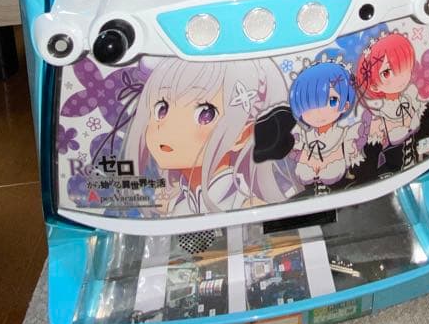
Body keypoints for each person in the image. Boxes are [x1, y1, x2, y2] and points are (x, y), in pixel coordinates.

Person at [121, 55, 298, 214]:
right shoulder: (175, 200)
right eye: (162, 109)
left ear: (243, 135)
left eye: (205, 114)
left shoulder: (245, 203)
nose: (168, 128)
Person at [289, 58, 362, 187]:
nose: (319, 112)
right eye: (310, 104)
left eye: (332, 101)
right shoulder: (303, 138)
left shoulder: (346, 136)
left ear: (345, 105)